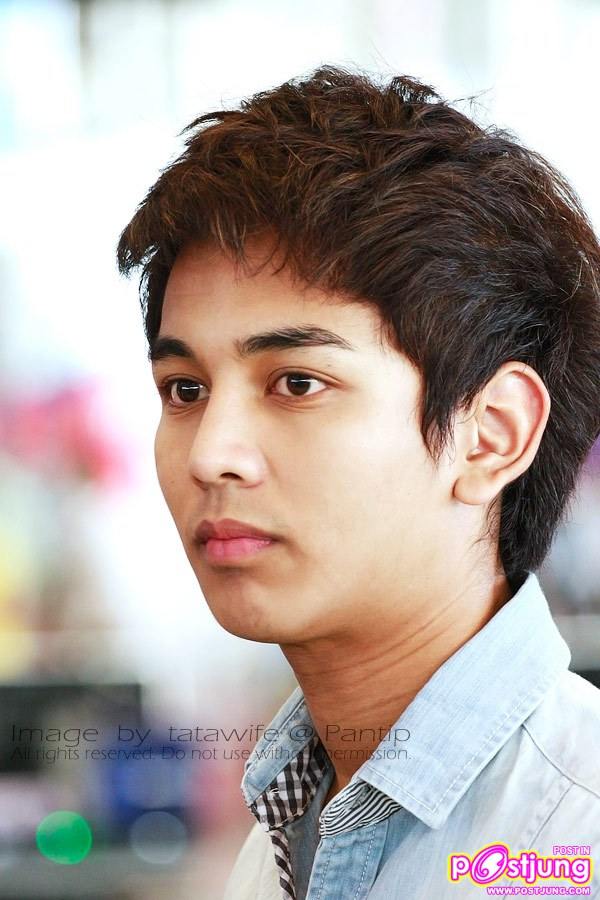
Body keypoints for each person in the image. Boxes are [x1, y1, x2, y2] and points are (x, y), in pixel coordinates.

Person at [116, 65, 600, 899]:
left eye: (297, 383)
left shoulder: (572, 840)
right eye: (185, 390)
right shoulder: (281, 836)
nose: (211, 455)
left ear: (492, 434)